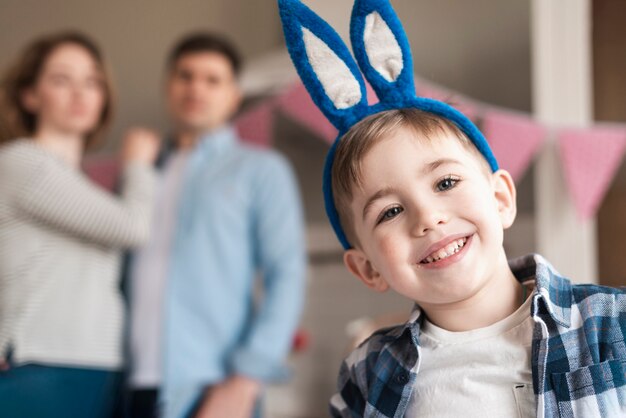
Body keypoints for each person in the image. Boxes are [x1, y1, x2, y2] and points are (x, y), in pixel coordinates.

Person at [276, 0, 626, 416]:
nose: (428, 218)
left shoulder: (610, 323)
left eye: (445, 183)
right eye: (390, 211)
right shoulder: (367, 374)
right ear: (367, 268)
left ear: (500, 199)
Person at [125, 32, 306, 418]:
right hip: (129, 385)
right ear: (167, 86)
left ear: (233, 94)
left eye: (212, 80)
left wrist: (245, 380)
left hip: (213, 385)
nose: (196, 89)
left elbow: (287, 274)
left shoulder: (261, 170)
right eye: (185, 76)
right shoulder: (140, 171)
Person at [0, 31, 159, 418]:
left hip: (93, 366)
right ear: (29, 95)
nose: (80, 93)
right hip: (39, 363)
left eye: (92, 82)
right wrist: (138, 163)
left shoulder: (80, 186)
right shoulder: (23, 161)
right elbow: (133, 228)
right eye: (61, 79)